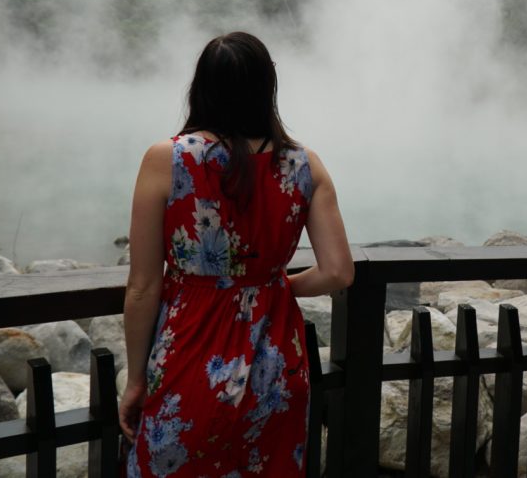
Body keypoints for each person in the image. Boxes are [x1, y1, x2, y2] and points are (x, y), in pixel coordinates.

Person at [118, 31, 354, 477]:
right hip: (277, 364)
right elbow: (339, 272)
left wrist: (135, 381)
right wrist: (278, 285)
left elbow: (143, 285)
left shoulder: (167, 159)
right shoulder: (305, 164)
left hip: (192, 355)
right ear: (268, 89)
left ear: (201, 87)